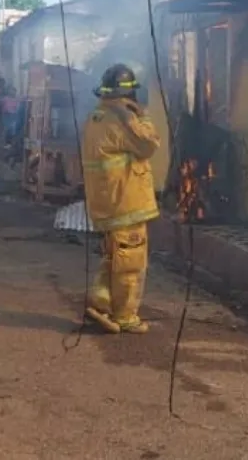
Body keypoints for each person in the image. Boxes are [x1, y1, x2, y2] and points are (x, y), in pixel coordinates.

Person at [81, 64, 161, 335]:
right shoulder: (124, 118)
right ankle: (125, 316)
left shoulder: (97, 115)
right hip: (126, 202)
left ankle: (100, 301)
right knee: (130, 262)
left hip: (106, 202)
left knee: (114, 256)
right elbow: (149, 144)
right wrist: (144, 117)